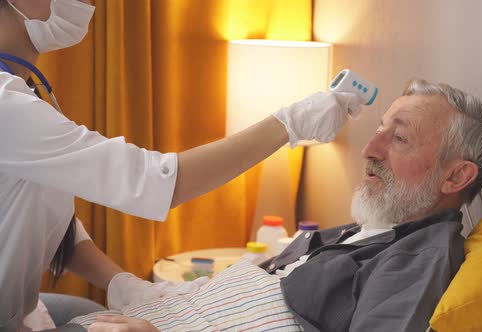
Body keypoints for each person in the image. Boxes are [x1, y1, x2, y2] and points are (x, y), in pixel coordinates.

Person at [0, 0, 363, 331]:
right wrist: (288, 124)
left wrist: (117, 280)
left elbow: (46, 217)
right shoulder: (5, 105)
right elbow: (152, 180)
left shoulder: (22, 89)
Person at [83, 79, 482, 332]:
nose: (369, 149)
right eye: (379, 130)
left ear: (455, 177)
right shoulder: (361, 232)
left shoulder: (417, 259)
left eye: (399, 138)